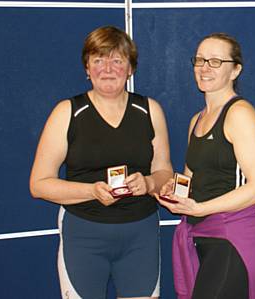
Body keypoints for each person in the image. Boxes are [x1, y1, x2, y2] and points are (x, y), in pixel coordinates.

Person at [30, 25, 173, 299]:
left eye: (117, 60)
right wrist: (90, 191)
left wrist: (150, 182)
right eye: (98, 60)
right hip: (84, 234)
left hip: (140, 234)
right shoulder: (67, 112)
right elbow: (38, 185)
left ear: (130, 68)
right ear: (87, 68)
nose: (108, 68)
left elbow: (165, 172)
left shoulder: (149, 110)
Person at [157, 33, 255, 299]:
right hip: (204, 235)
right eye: (199, 60)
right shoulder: (196, 120)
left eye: (215, 61)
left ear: (235, 70)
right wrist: (173, 188)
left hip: (235, 237)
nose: (204, 68)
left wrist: (201, 208)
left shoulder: (240, 114)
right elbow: (191, 179)